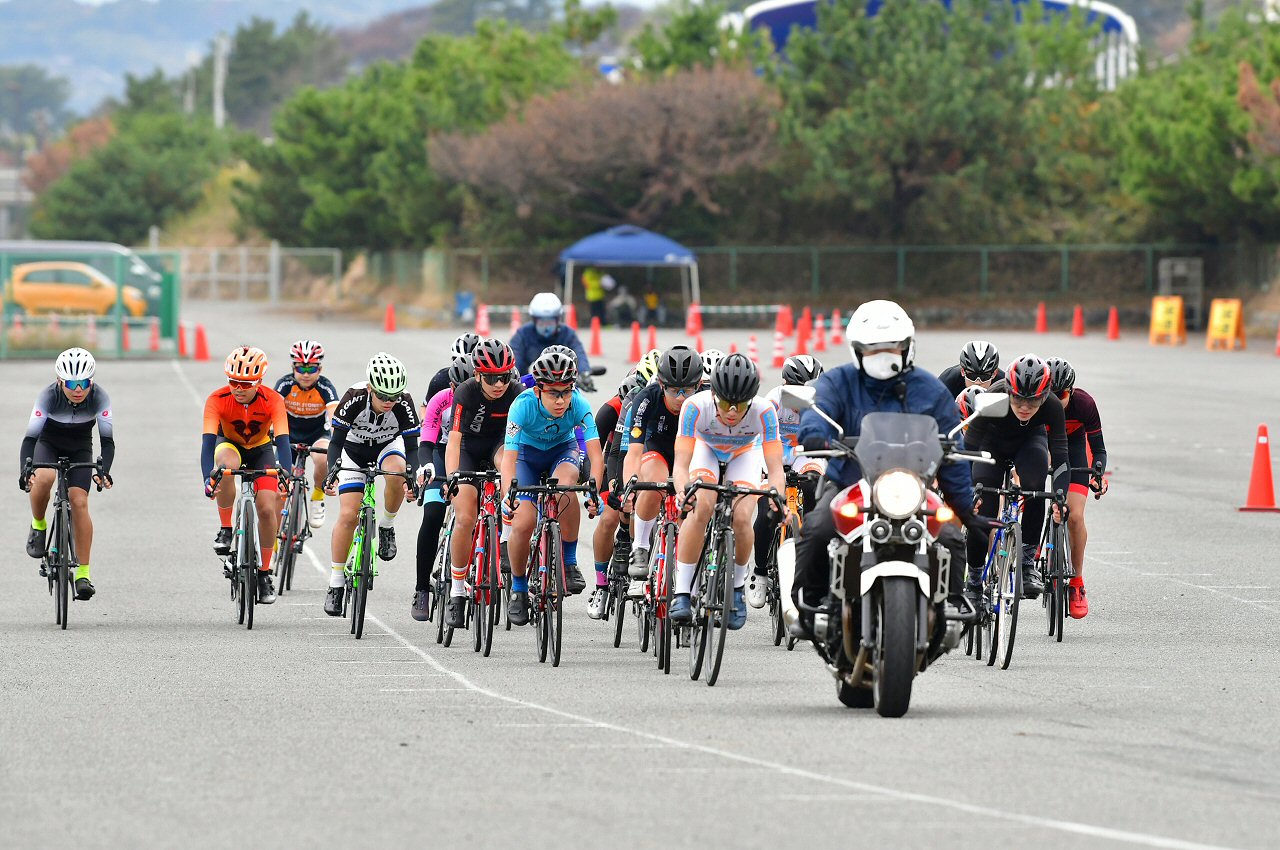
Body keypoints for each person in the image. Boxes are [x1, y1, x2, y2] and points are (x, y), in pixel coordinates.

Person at [791, 301, 980, 637]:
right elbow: (816, 409)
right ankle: (810, 603)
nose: (883, 353)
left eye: (892, 346)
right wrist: (813, 431)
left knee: (950, 533)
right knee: (817, 527)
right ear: (857, 350)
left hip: (913, 488)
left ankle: (949, 604)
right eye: (873, 347)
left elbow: (953, 443)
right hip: (850, 483)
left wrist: (964, 507)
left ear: (907, 347)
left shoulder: (929, 388)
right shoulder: (838, 382)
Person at [668, 354, 787, 630]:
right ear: (712, 394)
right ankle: (683, 593)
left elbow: (775, 466)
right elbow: (682, 464)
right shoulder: (694, 407)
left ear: (752, 400)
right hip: (705, 450)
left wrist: (777, 495)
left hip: (745, 453)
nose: (732, 412)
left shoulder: (764, 411)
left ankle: (736, 590)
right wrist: (683, 492)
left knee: (743, 516)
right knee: (702, 506)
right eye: (724, 403)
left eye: (740, 405)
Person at [501, 349, 603, 626]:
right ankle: (519, 588)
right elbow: (508, 458)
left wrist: (594, 491)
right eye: (553, 393)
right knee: (522, 523)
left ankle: (569, 562)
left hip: (562, 451)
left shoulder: (580, 403)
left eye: (566, 392)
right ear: (538, 390)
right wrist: (506, 495)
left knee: (566, 489)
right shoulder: (521, 404)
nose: (561, 401)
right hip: (526, 456)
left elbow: (595, 453)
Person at [963, 354, 1070, 600]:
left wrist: (1060, 499)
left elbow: (1062, 456)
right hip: (992, 445)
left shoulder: (1052, 406)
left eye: (1032, 402)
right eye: (1019, 399)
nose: (1024, 407)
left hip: (1030, 442)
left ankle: (1027, 562)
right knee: (982, 506)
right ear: (1009, 391)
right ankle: (975, 580)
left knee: (1035, 486)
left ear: (1044, 397)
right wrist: (966, 490)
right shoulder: (992, 398)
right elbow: (969, 449)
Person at [320, 353, 419, 616]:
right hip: (353, 450)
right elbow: (335, 443)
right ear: (370, 389)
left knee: (398, 473)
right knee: (347, 515)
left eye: (394, 396)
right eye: (383, 396)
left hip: (388, 446)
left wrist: (413, 479)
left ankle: (386, 525)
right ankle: (336, 582)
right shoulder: (353, 397)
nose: (389, 402)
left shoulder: (403, 402)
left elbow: (412, 449)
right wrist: (332, 473)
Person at [20, 347, 114, 601]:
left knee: (79, 501)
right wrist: (24, 469)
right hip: (48, 443)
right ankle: (38, 524)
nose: (78, 389)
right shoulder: (48, 396)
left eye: (83, 383)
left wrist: (104, 469)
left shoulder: (100, 398)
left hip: (81, 447)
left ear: (90, 381)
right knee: (45, 478)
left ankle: (83, 573)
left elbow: (107, 442)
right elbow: (30, 438)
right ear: (60, 381)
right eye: (71, 383)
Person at [201, 346, 291, 605]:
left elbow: (283, 442)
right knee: (223, 466)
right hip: (229, 445)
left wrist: (285, 473)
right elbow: (207, 446)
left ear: (259, 381)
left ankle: (264, 574)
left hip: (261, 450)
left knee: (266, 509)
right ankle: (226, 528)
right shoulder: (217, 399)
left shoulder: (273, 400)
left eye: (245, 383)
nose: (238, 388)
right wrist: (207, 479)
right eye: (233, 381)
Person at [444, 338, 522, 627]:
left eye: (504, 376)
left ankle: (504, 539)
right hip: (468, 450)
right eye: (491, 378)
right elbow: (453, 441)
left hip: (500, 447)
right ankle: (456, 591)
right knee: (465, 517)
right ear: (478, 375)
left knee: (507, 467)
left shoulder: (516, 392)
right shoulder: (465, 392)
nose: (498, 383)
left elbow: (519, 443)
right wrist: (453, 476)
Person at [748, 353, 826, 609]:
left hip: (804, 453)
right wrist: (766, 474)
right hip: (774, 451)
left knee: (815, 488)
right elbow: (759, 443)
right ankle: (760, 572)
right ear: (784, 385)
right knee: (766, 509)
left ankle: (811, 553)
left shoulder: (824, 403)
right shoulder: (772, 401)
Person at [625, 346, 703, 585]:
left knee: (694, 500)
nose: (681, 397)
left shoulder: (707, 399)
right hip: (657, 448)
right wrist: (630, 486)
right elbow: (634, 451)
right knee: (653, 484)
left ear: (699, 385)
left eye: (687, 390)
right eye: (673, 390)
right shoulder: (646, 399)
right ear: (661, 384)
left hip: (691, 453)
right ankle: (640, 547)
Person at [411, 354, 474, 621]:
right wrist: (425, 466)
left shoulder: (485, 399)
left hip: (471, 452)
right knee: (434, 513)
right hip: (440, 450)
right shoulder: (440, 400)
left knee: (474, 513)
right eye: (454, 388)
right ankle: (422, 588)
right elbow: (426, 440)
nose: (459, 393)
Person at [1045, 357, 1108, 619]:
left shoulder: (1084, 404)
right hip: (1044, 446)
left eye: (1061, 394)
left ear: (1070, 391)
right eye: (1049, 393)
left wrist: (1097, 474)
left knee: (1076, 516)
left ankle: (1077, 583)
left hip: (1073, 451)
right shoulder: (1037, 405)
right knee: (1030, 493)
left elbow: (1099, 448)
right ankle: (1032, 550)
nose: (1055, 399)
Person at [273, 339, 338, 528]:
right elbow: (271, 409)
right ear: (293, 368)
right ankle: (275, 540)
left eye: (312, 369)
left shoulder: (325, 387)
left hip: (317, 435)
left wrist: (340, 434)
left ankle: (318, 497)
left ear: (320, 369)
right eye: (301, 369)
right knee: (280, 489)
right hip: (289, 437)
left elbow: (335, 414)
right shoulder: (284, 384)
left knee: (321, 457)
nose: (306, 375)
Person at [510, 292, 595, 390]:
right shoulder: (523, 334)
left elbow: (579, 354)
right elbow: (515, 358)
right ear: (534, 320)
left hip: (563, 385)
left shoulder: (567, 333)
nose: (546, 327)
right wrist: (513, 379)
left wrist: (584, 373)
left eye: (550, 322)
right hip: (530, 387)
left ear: (558, 320)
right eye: (542, 322)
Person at [938, 340, 1004, 397]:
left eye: (984, 377)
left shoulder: (1003, 384)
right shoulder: (948, 380)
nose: (977, 382)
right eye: (972, 376)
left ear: (994, 374)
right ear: (963, 371)